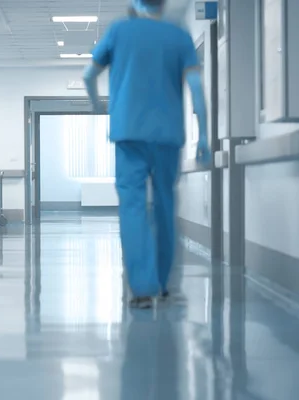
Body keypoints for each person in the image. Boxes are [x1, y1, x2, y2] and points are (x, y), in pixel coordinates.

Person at [83, 0, 210, 309]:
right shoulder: (178, 35)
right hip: (168, 136)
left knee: (133, 207)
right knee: (166, 204)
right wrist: (204, 133)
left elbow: (89, 75)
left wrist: (98, 105)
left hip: (128, 133)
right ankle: (164, 284)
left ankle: (141, 289)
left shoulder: (119, 31)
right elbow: (195, 86)